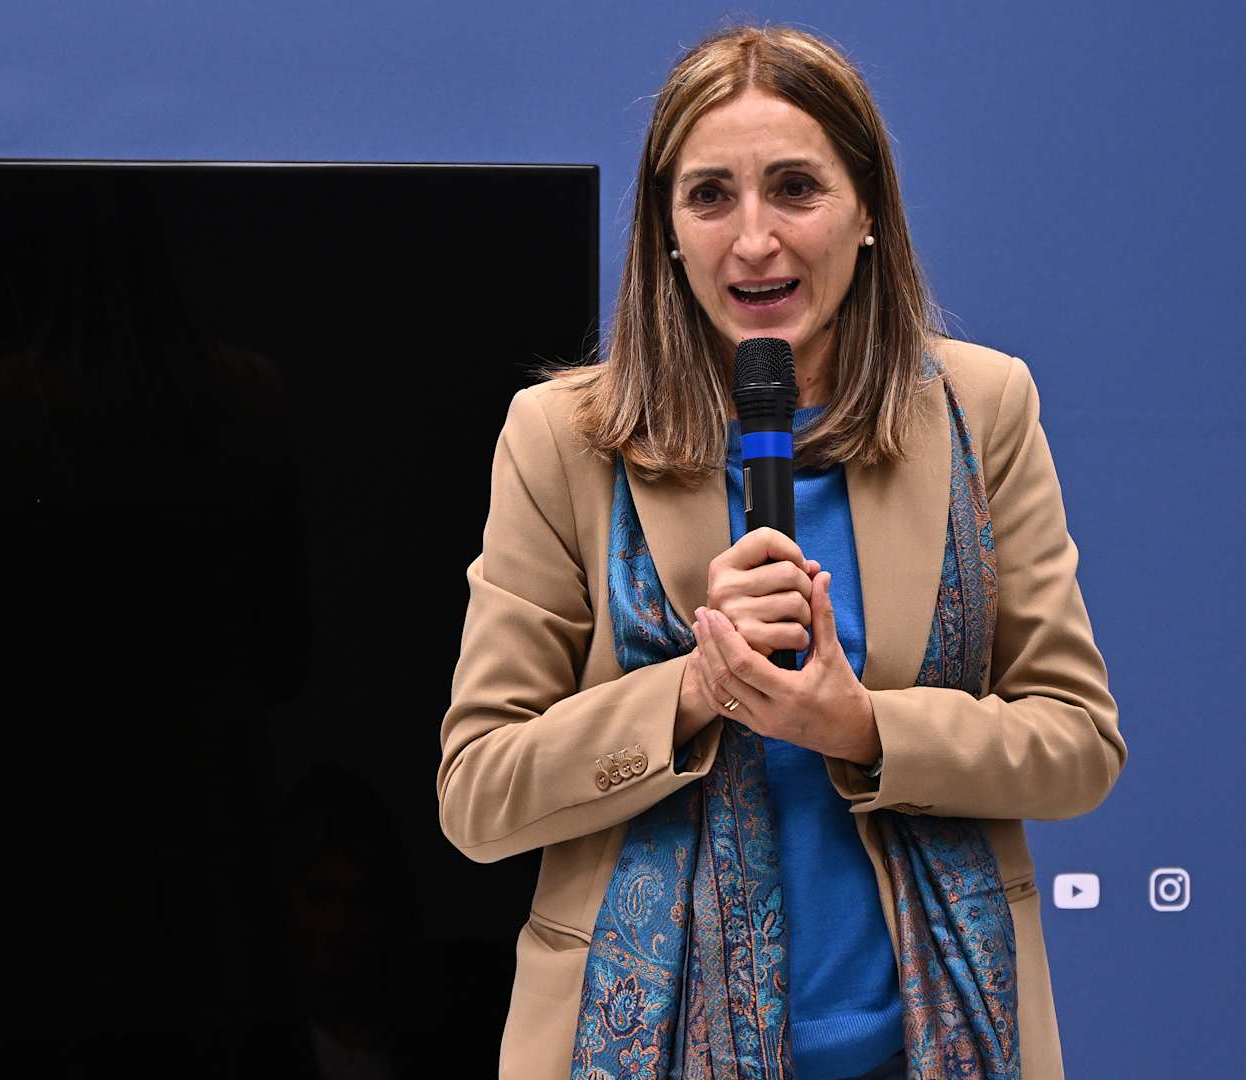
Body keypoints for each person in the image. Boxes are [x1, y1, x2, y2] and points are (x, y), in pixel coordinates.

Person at [437, 24, 1125, 1080]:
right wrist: (692, 689)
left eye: (795, 188)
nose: (753, 239)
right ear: (667, 230)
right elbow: (480, 795)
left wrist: (862, 728)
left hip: (924, 1050)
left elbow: (1077, 743)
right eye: (710, 195)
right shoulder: (563, 439)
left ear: (867, 211)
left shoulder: (981, 409)